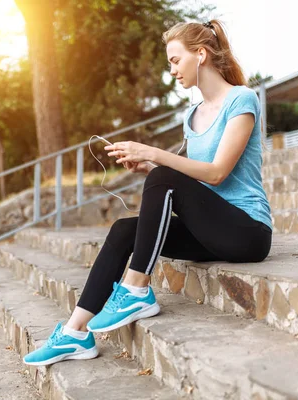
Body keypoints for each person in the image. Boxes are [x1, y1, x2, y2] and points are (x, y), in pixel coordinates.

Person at [23, 19, 273, 367]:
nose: (171, 70)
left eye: (174, 60)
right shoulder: (193, 116)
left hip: (246, 232)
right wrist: (151, 168)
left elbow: (217, 173)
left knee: (164, 175)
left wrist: (155, 155)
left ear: (200, 55)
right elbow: (191, 182)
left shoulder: (241, 100)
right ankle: (75, 332)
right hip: (211, 231)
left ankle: (136, 289)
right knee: (124, 228)